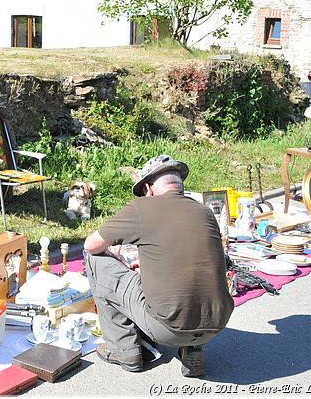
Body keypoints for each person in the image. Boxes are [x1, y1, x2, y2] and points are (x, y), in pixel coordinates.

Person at [83, 154, 233, 378]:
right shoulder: (205, 211)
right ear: (179, 184)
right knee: (193, 284)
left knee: (93, 260)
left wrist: (115, 255)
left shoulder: (142, 207)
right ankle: (192, 349)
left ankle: (124, 350)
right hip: (216, 324)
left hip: (168, 328)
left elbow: (91, 245)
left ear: (149, 189)